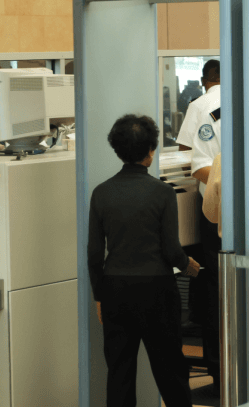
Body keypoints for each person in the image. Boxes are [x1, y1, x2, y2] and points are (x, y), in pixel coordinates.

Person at [88, 114, 201, 407]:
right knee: (170, 370)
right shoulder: (162, 193)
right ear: (150, 150)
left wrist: (100, 297)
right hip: (157, 291)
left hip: (115, 291)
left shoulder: (101, 193)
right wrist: (190, 266)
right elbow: (171, 250)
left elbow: (93, 253)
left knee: (120, 371)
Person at [187, 60, 222, 392]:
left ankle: (219, 366)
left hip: (223, 211)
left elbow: (197, 165)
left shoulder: (201, 106)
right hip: (230, 210)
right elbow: (200, 163)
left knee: (214, 287)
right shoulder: (211, 110)